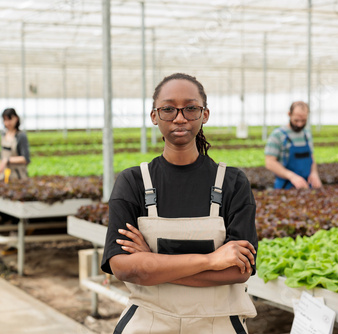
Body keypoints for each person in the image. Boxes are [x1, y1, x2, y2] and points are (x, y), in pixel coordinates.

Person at [101, 73, 258, 333]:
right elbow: (122, 267)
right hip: (149, 321)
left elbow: (239, 270)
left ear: (204, 114)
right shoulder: (133, 182)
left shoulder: (233, 182)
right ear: (154, 116)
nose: (180, 117)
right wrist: (211, 261)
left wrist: (151, 263)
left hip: (218, 323)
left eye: (191, 108)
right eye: (168, 109)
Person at [264, 101, 322, 189]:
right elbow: (269, 162)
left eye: (303, 120)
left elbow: (311, 157)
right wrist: (291, 176)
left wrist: (314, 173)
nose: (300, 124)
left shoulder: (306, 134)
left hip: (307, 185)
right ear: (289, 114)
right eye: (296, 120)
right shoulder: (278, 135)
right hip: (286, 186)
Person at [0, 108, 30, 224]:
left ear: (16, 119)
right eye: (5, 120)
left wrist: (8, 160)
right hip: (6, 175)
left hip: (18, 175)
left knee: (17, 202)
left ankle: (19, 227)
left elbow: (25, 159)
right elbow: (1, 157)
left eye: (10, 119)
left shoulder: (21, 136)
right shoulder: (3, 134)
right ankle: (11, 226)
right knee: (2, 203)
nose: (7, 123)